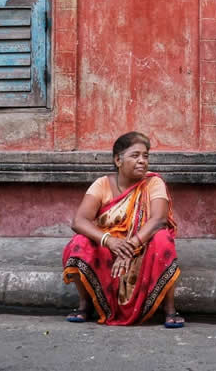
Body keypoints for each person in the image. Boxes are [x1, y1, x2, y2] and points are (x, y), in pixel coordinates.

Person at [62, 131, 184, 327]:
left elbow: (159, 220)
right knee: (79, 243)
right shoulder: (102, 184)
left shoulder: (153, 183)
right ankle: (85, 304)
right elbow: (79, 221)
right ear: (118, 160)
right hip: (110, 248)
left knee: (163, 240)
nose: (142, 161)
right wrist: (109, 241)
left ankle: (169, 308)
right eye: (135, 156)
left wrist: (131, 247)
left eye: (145, 156)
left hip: (142, 245)